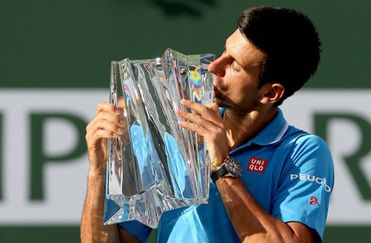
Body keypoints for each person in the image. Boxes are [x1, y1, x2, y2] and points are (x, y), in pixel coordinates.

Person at [81, 6, 334, 243]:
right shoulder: (175, 132)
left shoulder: (303, 151)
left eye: (234, 65)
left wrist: (221, 165)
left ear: (270, 93)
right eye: (224, 52)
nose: (214, 67)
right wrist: (99, 171)